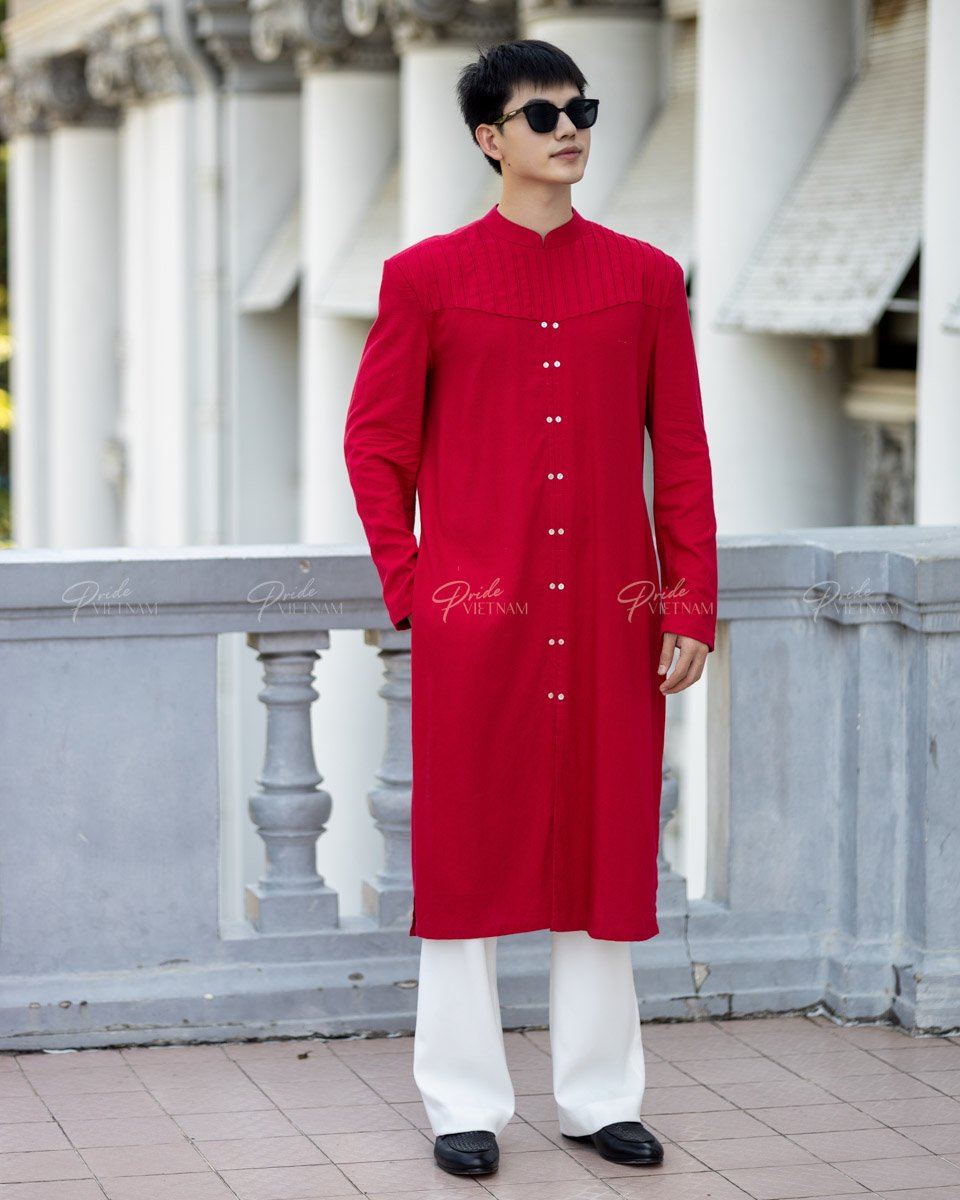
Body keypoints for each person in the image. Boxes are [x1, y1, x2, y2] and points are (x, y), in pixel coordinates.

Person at [343, 37, 717, 1178]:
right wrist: (415, 586)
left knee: (606, 848)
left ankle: (601, 1098)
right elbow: (376, 446)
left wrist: (689, 600)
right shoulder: (425, 278)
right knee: (466, 853)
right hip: (480, 624)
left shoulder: (647, 278)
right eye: (543, 115)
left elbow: (682, 453)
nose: (569, 130)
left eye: (581, 111)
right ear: (489, 138)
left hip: (609, 620)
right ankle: (463, 1103)